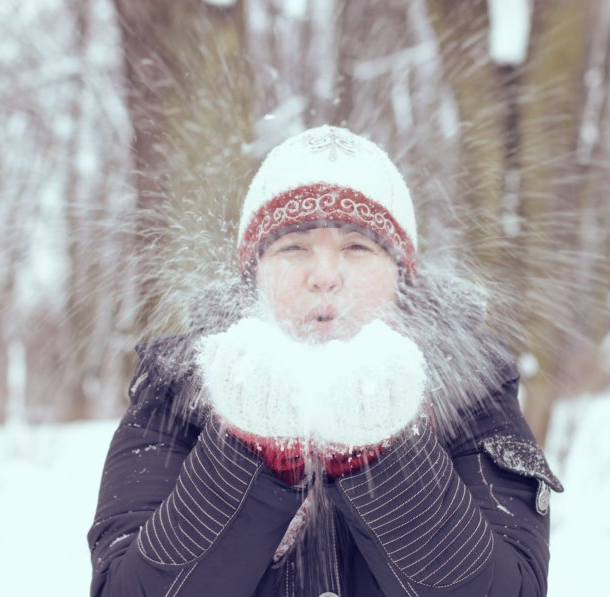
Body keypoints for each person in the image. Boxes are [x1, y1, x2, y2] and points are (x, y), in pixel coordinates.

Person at [88, 125, 563, 597]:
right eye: (292, 247)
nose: (325, 276)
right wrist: (248, 450)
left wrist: (387, 455)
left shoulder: (471, 391)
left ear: (401, 278)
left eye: (357, 247)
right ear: (253, 280)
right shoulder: (175, 391)